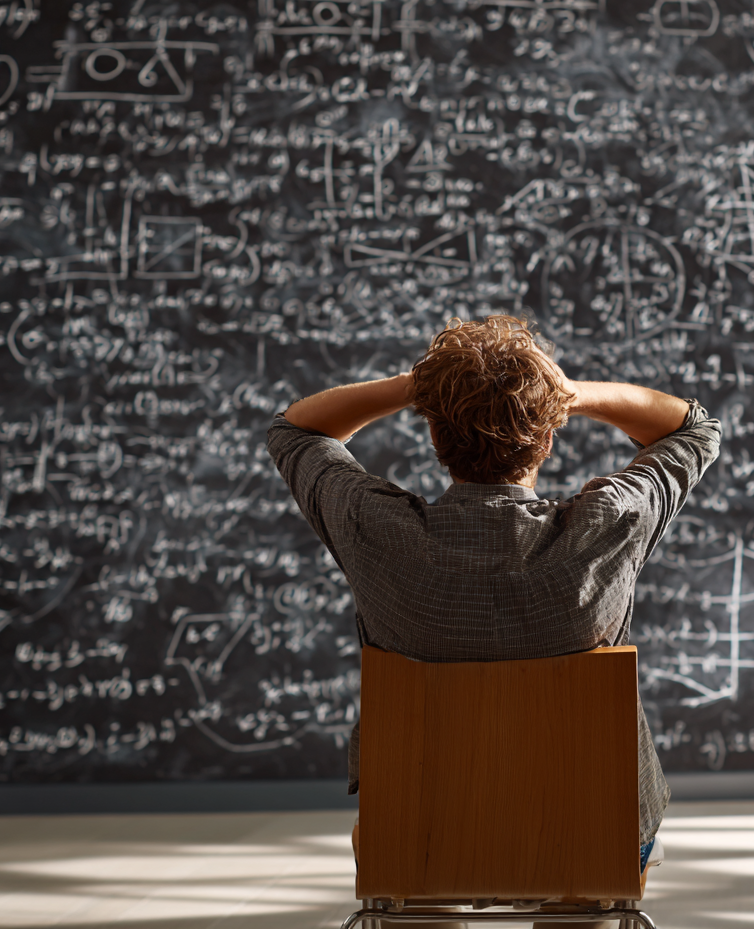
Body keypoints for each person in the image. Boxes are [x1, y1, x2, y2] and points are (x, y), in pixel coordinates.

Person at [267, 314, 721, 890]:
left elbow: (294, 431)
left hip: (420, 831)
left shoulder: (375, 530)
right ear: (550, 434)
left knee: (420, 865)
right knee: (588, 863)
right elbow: (695, 430)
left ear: (434, 435)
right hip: (592, 830)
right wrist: (568, 394)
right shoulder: (611, 522)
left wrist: (421, 387)